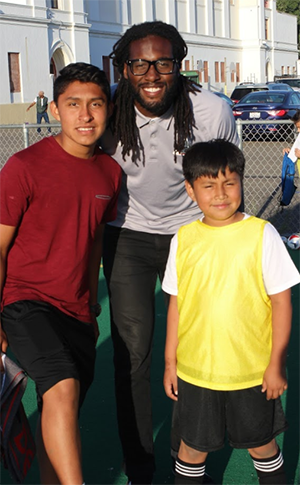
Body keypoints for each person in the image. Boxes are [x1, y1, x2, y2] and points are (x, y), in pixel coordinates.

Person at [100, 20, 239, 485]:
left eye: (163, 62)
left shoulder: (212, 110)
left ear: (179, 66)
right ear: (125, 67)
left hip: (192, 236)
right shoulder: (109, 111)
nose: (152, 73)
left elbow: (226, 181)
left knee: (197, 352)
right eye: (140, 63)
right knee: (134, 355)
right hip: (129, 236)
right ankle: (141, 468)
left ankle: (188, 462)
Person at [0, 62, 122, 485]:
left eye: (95, 104)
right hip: (24, 300)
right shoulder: (23, 166)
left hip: (76, 311)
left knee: (61, 406)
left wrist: (89, 307)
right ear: (54, 109)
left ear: (108, 109)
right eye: (73, 104)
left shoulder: (110, 171)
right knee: (63, 386)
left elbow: (92, 246)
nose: (85, 116)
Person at [162, 139, 300, 485]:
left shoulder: (262, 234)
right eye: (208, 186)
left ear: (241, 181)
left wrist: (275, 363)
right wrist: (170, 362)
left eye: (229, 182)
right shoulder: (183, 238)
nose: (220, 194)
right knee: (191, 450)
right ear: (190, 190)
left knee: (262, 446)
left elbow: (282, 302)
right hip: (197, 372)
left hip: (251, 371)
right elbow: (176, 303)